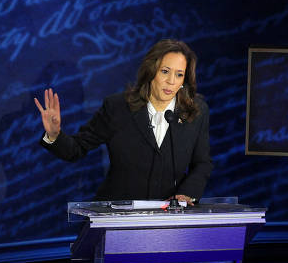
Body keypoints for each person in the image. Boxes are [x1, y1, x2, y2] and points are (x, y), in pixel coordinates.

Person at [35, 39, 212, 203]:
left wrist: (187, 194)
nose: (171, 81)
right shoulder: (118, 107)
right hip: (118, 215)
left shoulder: (195, 111)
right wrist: (54, 134)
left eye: (179, 74)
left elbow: (202, 163)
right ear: (151, 71)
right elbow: (76, 148)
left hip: (169, 217)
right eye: (165, 71)